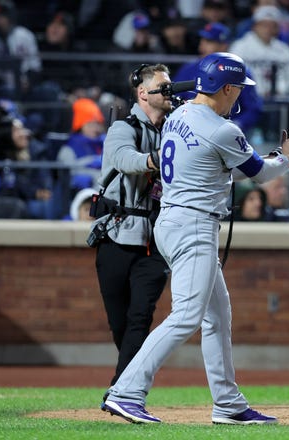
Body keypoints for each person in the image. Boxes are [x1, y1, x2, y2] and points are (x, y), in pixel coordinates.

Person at [103, 52, 289, 424]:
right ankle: (126, 391)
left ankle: (228, 403)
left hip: (174, 221)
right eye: (238, 90)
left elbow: (216, 167)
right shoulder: (223, 128)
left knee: (217, 314)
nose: (240, 97)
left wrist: (273, 158)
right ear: (229, 88)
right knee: (187, 315)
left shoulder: (181, 114)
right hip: (194, 226)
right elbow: (260, 175)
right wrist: (287, 158)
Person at [92, 64, 172, 401]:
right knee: (120, 322)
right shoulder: (121, 129)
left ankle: (121, 390)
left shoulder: (177, 130)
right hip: (115, 234)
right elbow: (127, 161)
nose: (170, 93)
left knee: (140, 316)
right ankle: (125, 383)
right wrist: (165, 158)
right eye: (162, 88)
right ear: (143, 93)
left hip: (155, 239)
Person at [173, 22, 263, 136]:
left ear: (224, 46)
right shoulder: (188, 69)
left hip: (227, 133)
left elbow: (253, 109)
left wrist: (234, 127)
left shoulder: (237, 71)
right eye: (202, 40)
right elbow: (174, 100)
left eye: (209, 41)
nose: (202, 46)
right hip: (191, 131)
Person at [229, 5, 289, 98]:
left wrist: (279, 90)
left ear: (277, 29)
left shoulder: (285, 50)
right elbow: (234, 75)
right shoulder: (239, 47)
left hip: (279, 99)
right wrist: (257, 92)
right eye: (264, 25)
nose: (268, 29)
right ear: (254, 26)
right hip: (247, 98)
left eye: (272, 26)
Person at [56, 97, 106, 193]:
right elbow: (67, 175)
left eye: (98, 124)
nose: (96, 129)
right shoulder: (69, 148)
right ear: (80, 126)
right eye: (91, 124)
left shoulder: (104, 142)